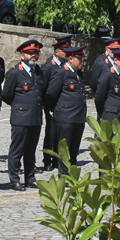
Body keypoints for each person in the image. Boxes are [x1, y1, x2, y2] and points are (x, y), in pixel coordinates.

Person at [1, 39, 44, 190]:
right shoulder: (15, 73)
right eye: (30, 53)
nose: (34, 56)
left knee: (31, 151)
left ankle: (30, 178)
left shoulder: (38, 71)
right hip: (21, 117)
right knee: (17, 150)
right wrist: (20, 107)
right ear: (22, 55)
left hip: (35, 117)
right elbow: (6, 95)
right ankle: (14, 179)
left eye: (36, 53)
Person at [45, 44, 88, 173]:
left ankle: (71, 174)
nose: (82, 62)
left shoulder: (78, 73)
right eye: (79, 59)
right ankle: (63, 175)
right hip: (65, 117)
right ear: (71, 59)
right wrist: (57, 110)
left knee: (74, 149)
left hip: (78, 118)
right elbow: (51, 94)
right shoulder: (61, 73)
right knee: (65, 149)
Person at [42, 34, 74, 169]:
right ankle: (47, 160)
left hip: (61, 105)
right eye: (64, 51)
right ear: (57, 52)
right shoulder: (49, 66)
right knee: (51, 132)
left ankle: (57, 159)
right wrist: (48, 106)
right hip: (51, 104)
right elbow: (44, 88)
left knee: (59, 133)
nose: (66, 54)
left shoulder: (64, 66)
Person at [94, 45, 120, 128]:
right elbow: (99, 98)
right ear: (116, 61)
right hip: (111, 118)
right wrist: (101, 113)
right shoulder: (107, 76)